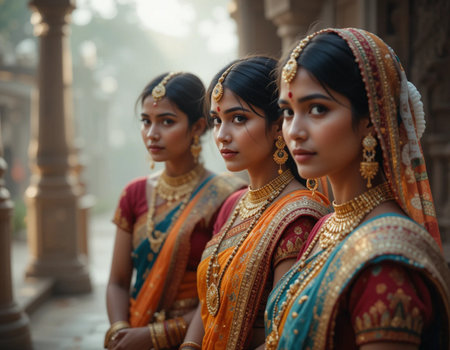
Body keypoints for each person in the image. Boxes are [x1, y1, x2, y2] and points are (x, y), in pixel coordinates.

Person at [265, 28, 450, 349]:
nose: (294, 131)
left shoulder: (387, 263)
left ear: (370, 118)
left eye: (318, 109)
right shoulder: (327, 225)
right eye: (287, 112)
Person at [181, 56, 330, 350]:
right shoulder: (233, 202)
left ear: (278, 126)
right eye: (216, 120)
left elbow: (283, 334)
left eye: (239, 118)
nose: (222, 136)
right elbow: (208, 301)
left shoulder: (299, 216)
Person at [104, 72, 245, 350]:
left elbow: (223, 295)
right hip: (132, 336)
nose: (152, 133)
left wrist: (156, 336)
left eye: (166, 121)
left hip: (193, 338)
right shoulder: (134, 194)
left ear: (197, 127)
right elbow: (118, 282)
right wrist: (119, 331)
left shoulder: (226, 197)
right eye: (146, 121)